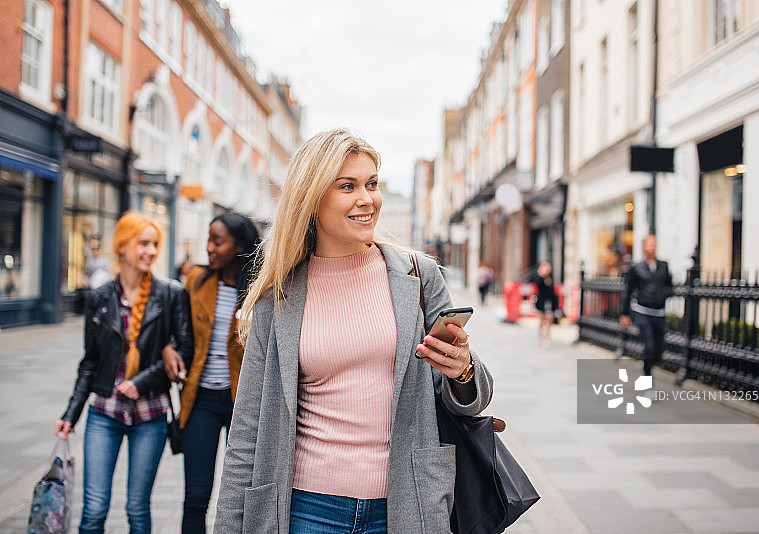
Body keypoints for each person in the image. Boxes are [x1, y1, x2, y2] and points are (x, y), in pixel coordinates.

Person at [212, 129, 493, 534]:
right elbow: (247, 429)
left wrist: (463, 371)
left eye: (372, 184)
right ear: (311, 198)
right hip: (305, 510)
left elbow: (473, 400)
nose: (367, 199)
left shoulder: (417, 276)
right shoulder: (278, 294)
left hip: (405, 504)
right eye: (348, 186)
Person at [55, 212, 193, 534]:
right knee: (94, 510)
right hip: (105, 413)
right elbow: (90, 362)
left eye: (155, 244)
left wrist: (142, 382)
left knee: (137, 508)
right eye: (143, 243)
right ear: (122, 246)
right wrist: (70, 413)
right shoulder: (100, 297)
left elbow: (186, 352)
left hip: (151, 414)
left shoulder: (171, 294)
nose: (151, 251)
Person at [161, 212, 260, 533]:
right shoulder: (196, 281)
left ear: (240, 246)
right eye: (208, 240)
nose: (209, 248)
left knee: (244, 497)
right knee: (195, 496)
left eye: (218, 241)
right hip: (200, 399)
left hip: (243, 403)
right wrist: (168, 347)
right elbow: (176, 331)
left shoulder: (262, 289)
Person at [620, 234, 673, 384]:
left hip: (659, 313)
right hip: (643, 312)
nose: (652, 246)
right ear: (644, 246)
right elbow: (628, 291)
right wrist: (625, 314)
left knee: (659, 350)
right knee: (649, 346)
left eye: (654, 243)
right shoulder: (636, 268)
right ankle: (648, 379)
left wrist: (664, 294)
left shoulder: (663, 266)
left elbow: (670, 286)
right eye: (649, 244)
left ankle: (646, 363)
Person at [531, 260, 560, 348]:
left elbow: (553, 292)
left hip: (550, 303)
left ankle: (547, 337)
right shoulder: (539, 278)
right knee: (542, 321)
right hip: (541, 303)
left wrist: (556, 305)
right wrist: (541, 275)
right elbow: (536, 285)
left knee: (549, 320)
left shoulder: (551, 278)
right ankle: (541, 334)